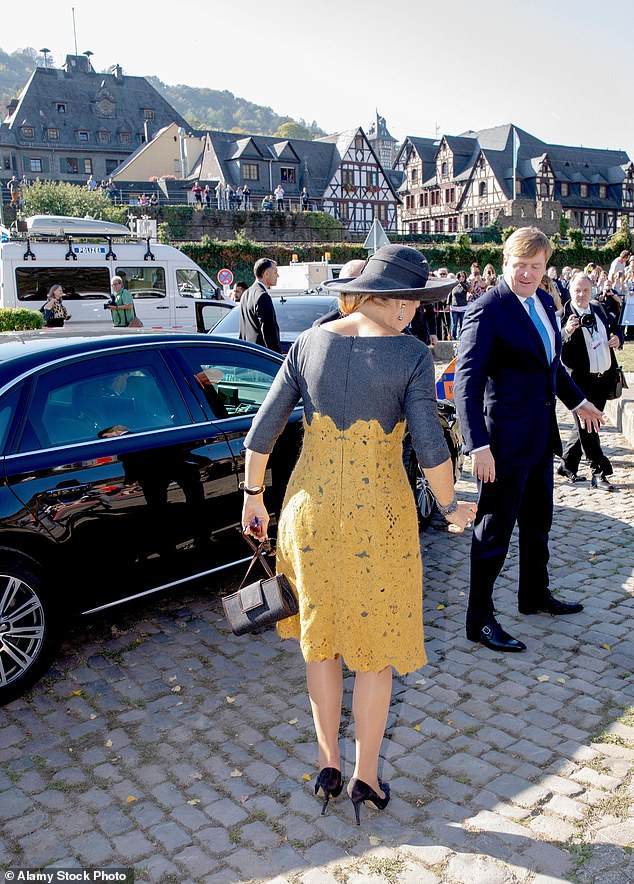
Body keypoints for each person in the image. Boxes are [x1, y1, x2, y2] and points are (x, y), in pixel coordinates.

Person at [241, 245, 474, 824]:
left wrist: (253, 498)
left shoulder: (309, 342)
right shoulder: (412, 356)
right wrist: (451, 506)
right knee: (376, 653)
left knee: (320, 640)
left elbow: (261, 431)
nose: (417, 314)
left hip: (309, 511)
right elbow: (429, 445)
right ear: (393, 301)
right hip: (379, 516)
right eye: (415, 304)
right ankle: (366, 779)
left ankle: (327, 764)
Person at [454, 227, 604, 653]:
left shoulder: (541, 300)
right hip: (501, 446)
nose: (527, 274)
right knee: (493, 532)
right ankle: (479, 619)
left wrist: (578, 403)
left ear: (545, 268)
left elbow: (550, 367)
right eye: (520, 266)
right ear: (505, 264)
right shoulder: (487, 310)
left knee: (538, 524)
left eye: (535, 267)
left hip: (540, 439)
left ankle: (533, 594)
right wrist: (477, 446)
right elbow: (466, 384)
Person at [559, 273, 621, 490]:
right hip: (579, 383)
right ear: (570, 290)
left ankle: (567, 464)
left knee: (584, 426)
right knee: (589, 426)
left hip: (603, 379)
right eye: (577, 290)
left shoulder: (599, 309)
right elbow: (558, 348)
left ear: (592, 290)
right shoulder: (563, 315)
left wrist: (617, 339)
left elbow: (616, 328)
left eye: (585, 290)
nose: (581, 294)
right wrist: (567, 331)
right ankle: (599, 470)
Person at [239, 258, 282, 352]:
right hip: (261, 356)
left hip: (248, 353)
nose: (277, 276)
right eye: (275, 272)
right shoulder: (263, 296)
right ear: (266, 274)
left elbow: (243, 331)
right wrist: (276, 356)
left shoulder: (245, 294)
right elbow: (268, 331)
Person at [447, 271, 470, 340]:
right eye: (460, 276)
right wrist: (448, 304)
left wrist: (461, 283)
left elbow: (467, 289)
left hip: (463, 307)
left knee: (462, 324)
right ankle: (453, 337)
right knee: (454, 324)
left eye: (463, 276)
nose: (461, 278)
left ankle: (461, 337)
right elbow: (450, 294)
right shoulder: (454, 285)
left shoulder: (466, 285)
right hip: (454, 307)